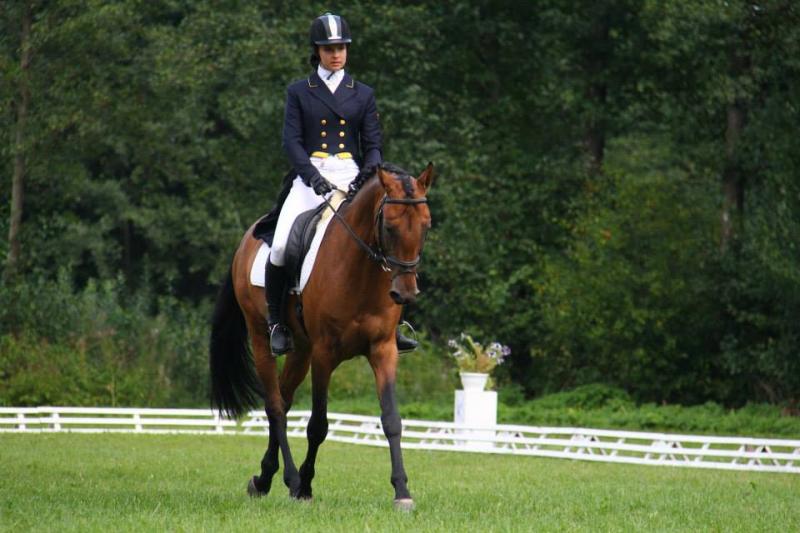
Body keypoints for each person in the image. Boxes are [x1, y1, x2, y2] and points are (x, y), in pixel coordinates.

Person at [266, 12, 417, 356]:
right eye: (329, 49)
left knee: (391, 235)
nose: (336, 54)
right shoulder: (299, 92)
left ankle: (396, 324)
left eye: (341, 48)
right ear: (317, 51)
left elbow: (373, 144)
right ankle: (277, 323)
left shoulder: (362, 93)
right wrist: (312, 177)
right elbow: (291, 142)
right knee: (280, 246)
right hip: (311, 176)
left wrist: (368, 173)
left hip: (352, 175)